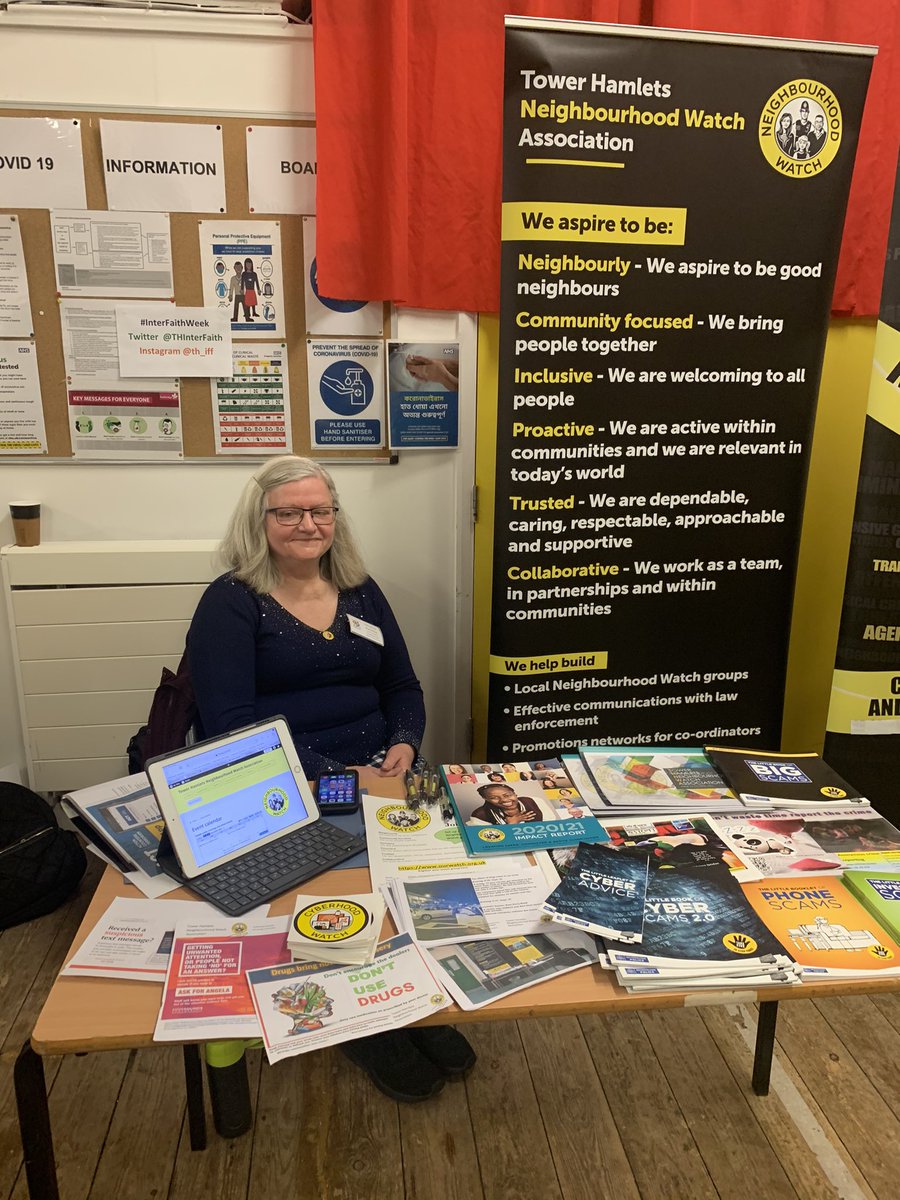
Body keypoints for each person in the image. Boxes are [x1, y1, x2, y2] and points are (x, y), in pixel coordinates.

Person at [187, 455, 475, 1100]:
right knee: (339, 893)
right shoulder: (232, 603)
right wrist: (334, 772)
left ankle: (418, 995)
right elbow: (230, 723)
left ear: (335, 518)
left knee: (422, 877)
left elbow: (402, 684)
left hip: (385, 764)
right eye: (288, 512)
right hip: (286, 777)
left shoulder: (361, 588)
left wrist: (404, 741)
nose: (306, 523)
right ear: (259, 521)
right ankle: (364, 1022)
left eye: (319, 510)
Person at [469, 783, 554, 824]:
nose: (503, 800)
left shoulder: (534, 801)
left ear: (515, 794)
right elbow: (486, 841)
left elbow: (551, 825)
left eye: (508, 795)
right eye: (494, 798)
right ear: (486, 799)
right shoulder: (480, 815)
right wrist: (510, 826)